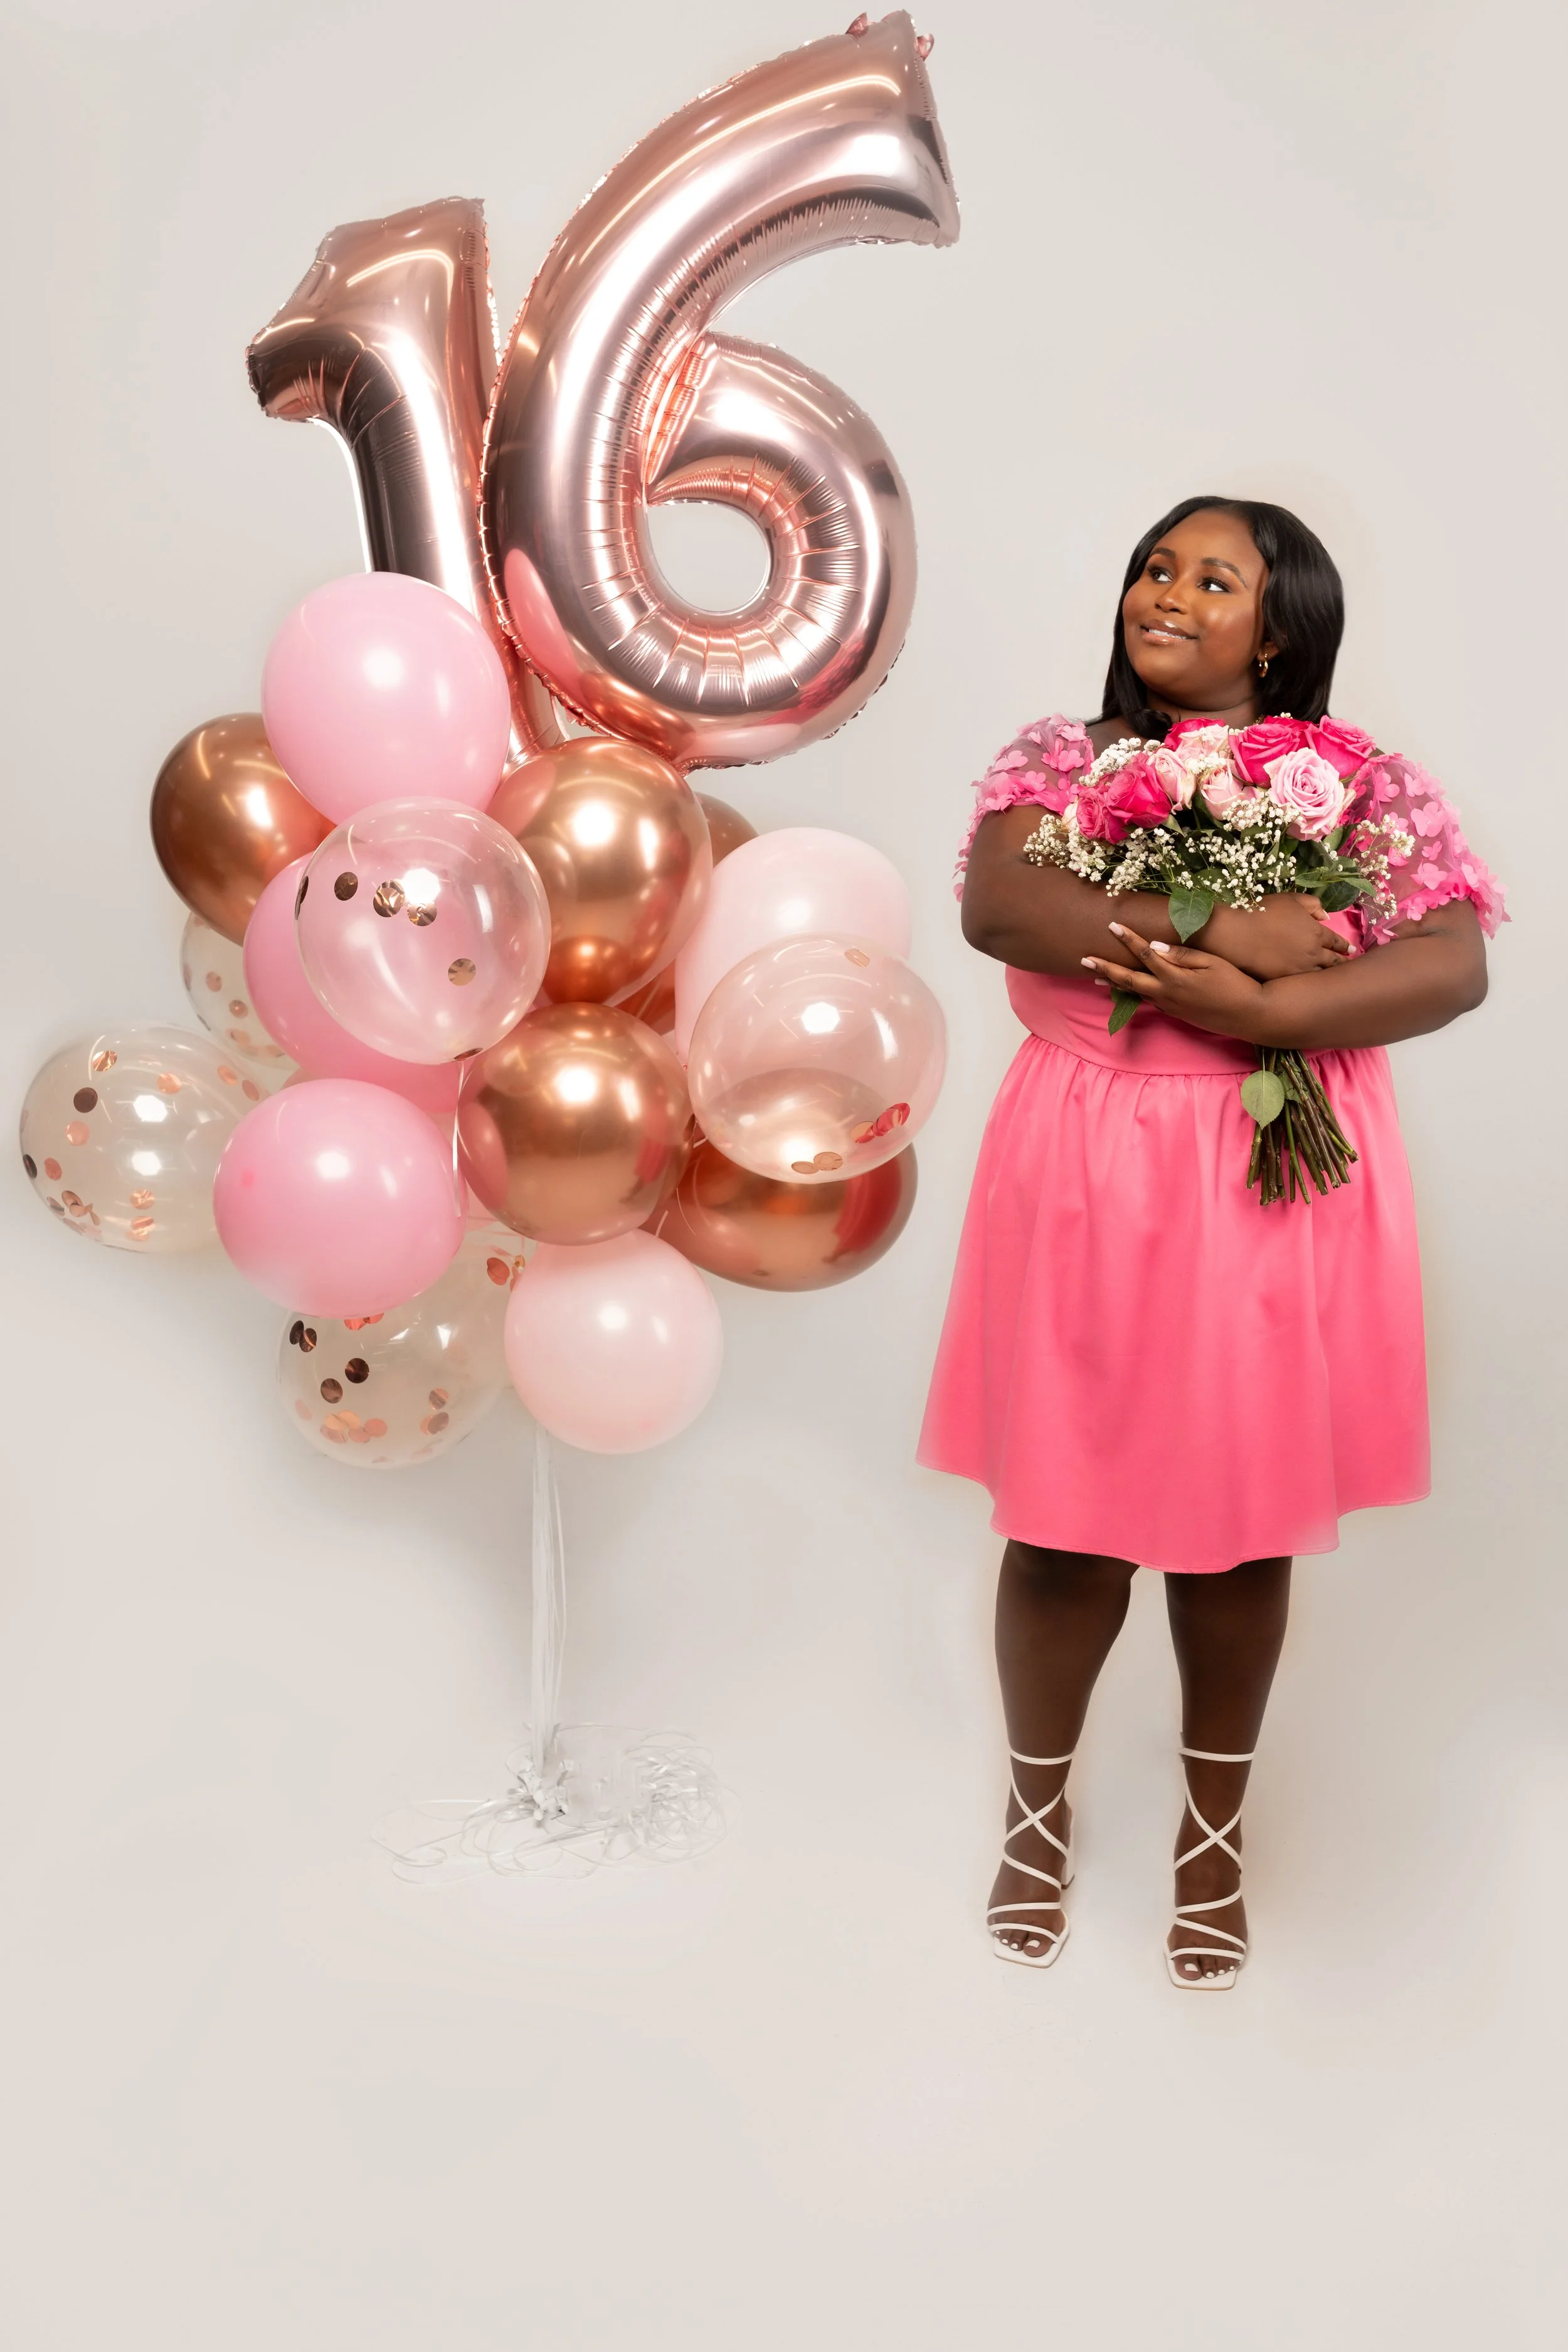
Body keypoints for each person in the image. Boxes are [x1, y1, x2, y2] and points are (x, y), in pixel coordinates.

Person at [919, 496, 1505, 1986]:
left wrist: (1279, 1014)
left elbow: (1448, 966)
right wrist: (1222, 929)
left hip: (1261, 1173)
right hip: (1086, 1165)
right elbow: (1004, 901)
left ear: (1281, 624)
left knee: (1237, 1526)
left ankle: (1208, 1837)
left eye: (1209, 577)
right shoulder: (1064, 760)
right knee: (1060, 1524)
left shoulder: (1356, 781)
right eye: (1151, 566)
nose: (1164, 592)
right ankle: (1035, 1810)